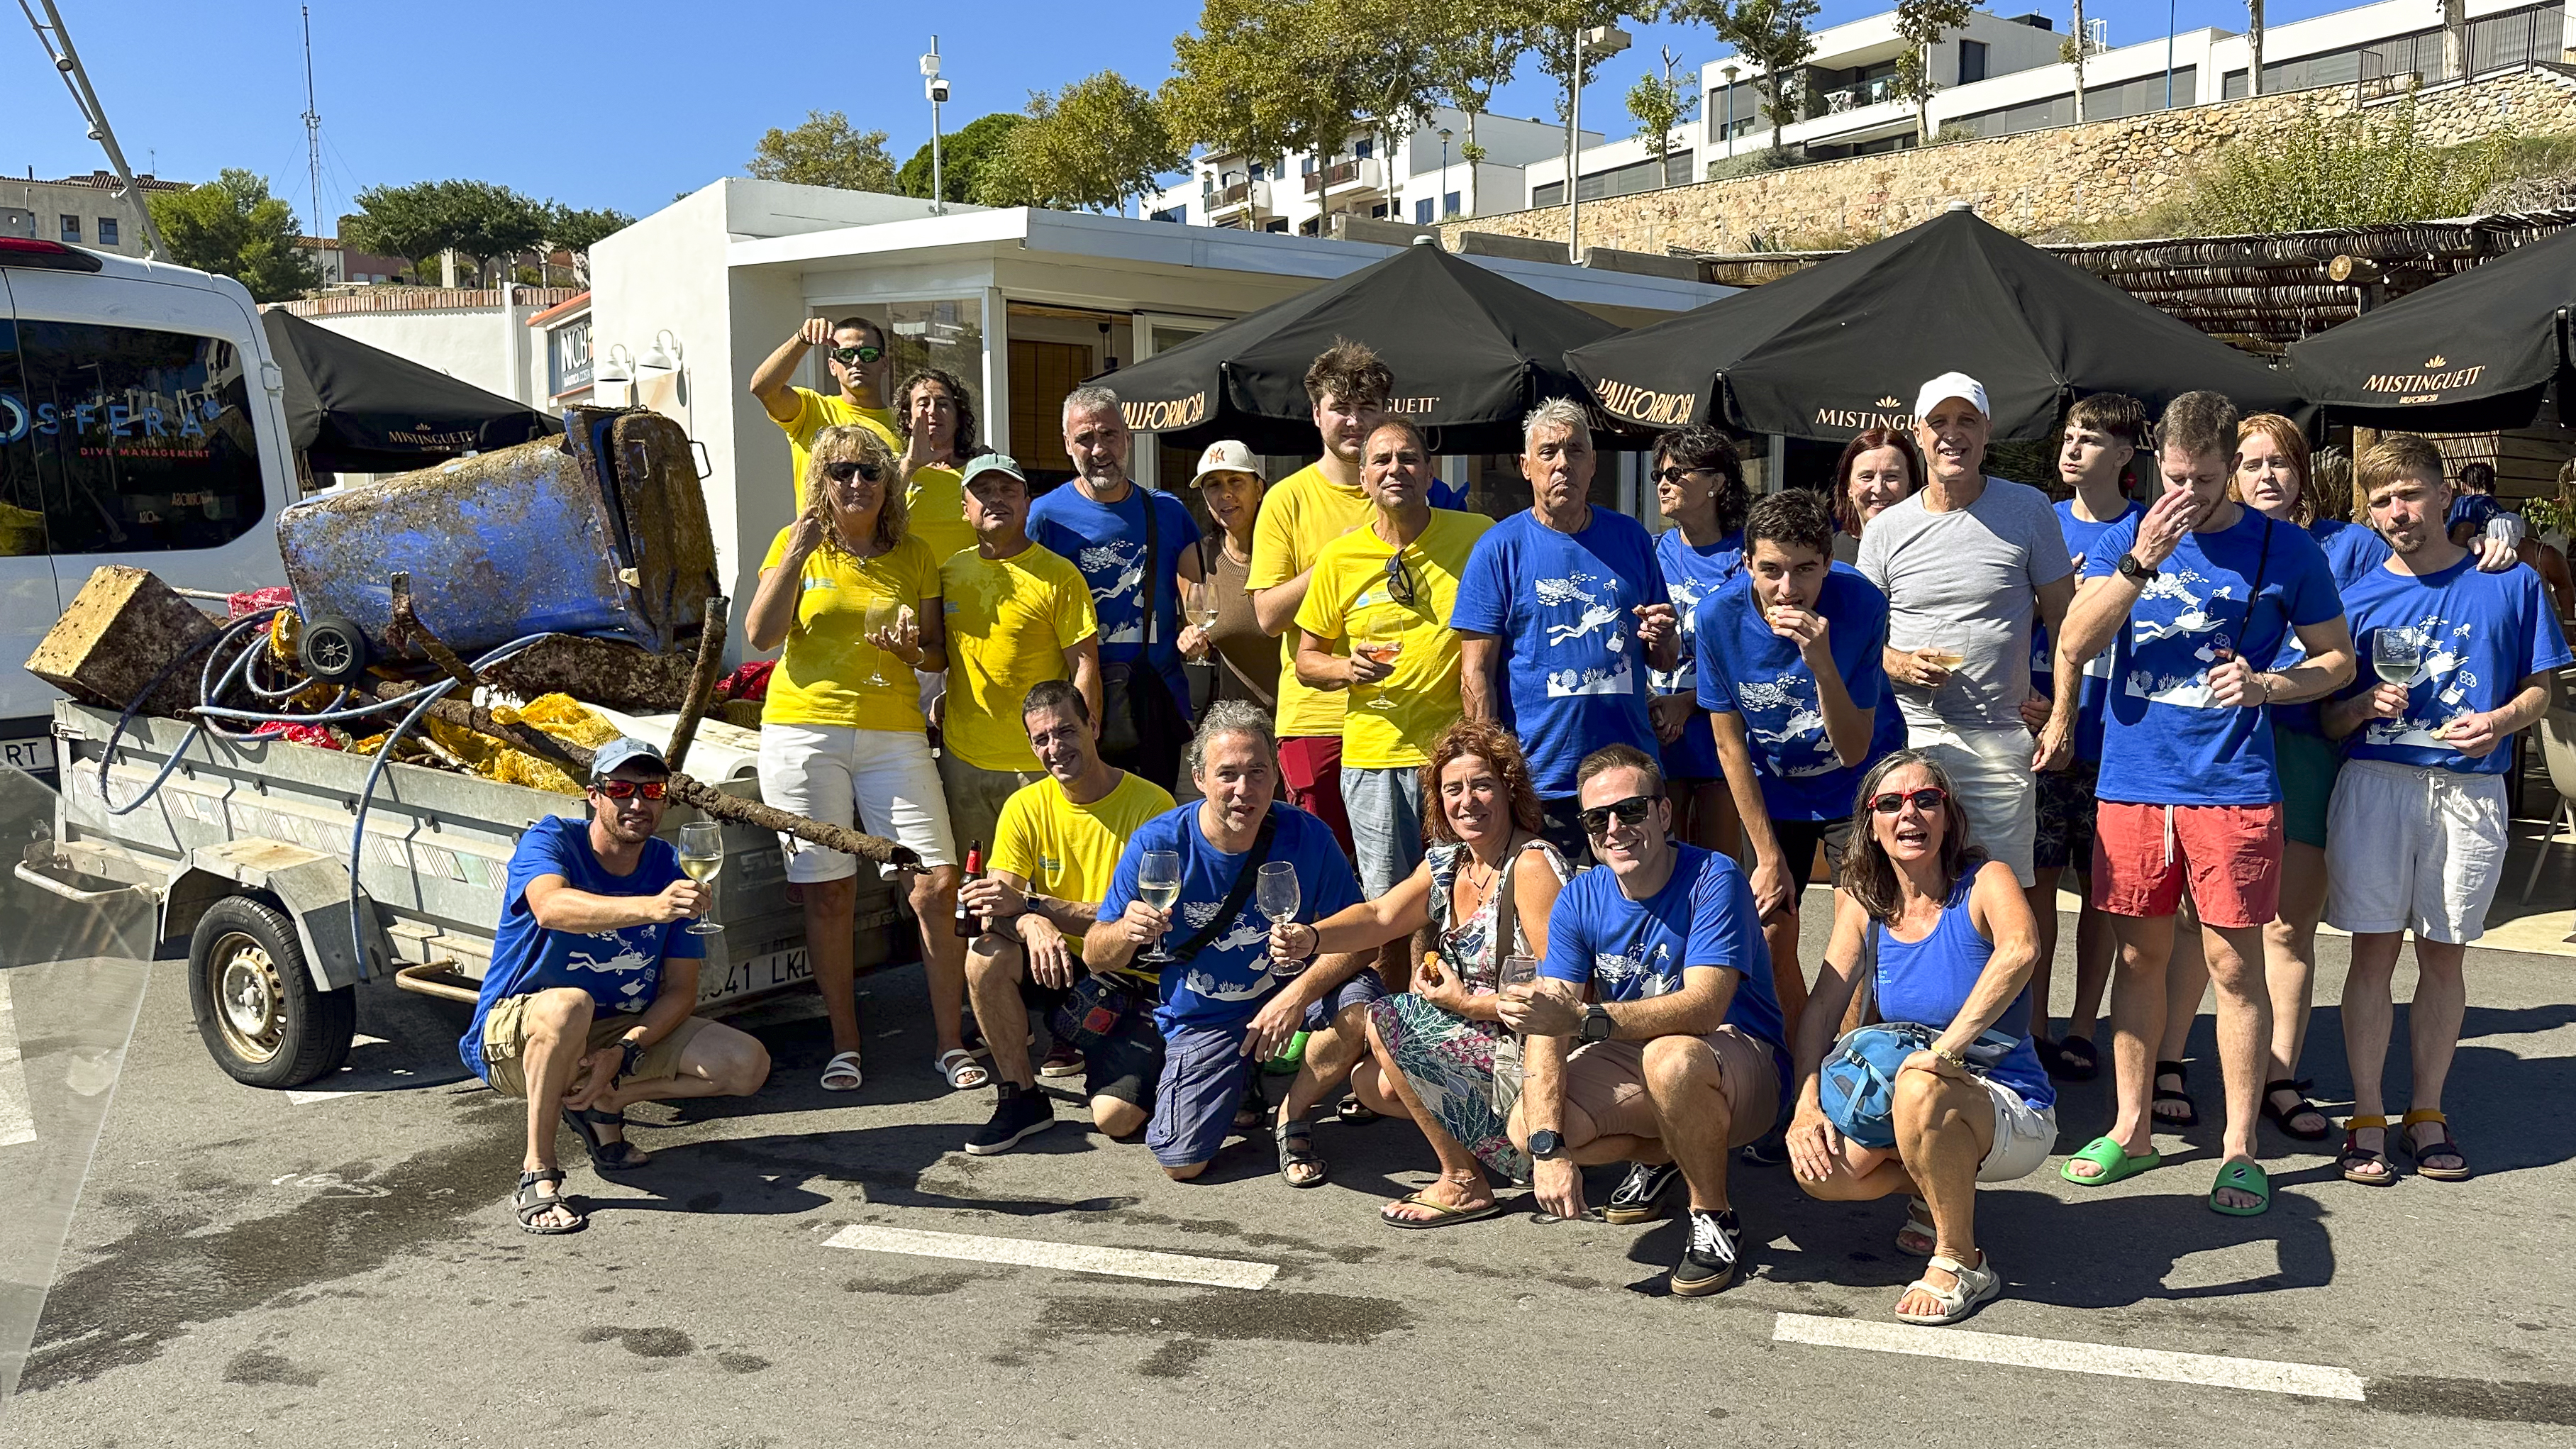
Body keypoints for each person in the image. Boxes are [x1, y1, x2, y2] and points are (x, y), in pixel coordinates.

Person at [2051, 391, 2353, 1216]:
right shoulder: (2131, 535)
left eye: (2204, 480)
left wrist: (2265, 684)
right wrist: (2139, 559)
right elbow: (2073, 642)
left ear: (2232, 465)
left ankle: (2237, 1151)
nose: (2186, 494)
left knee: (2231, 968)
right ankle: (2130, 1129)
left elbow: (2336, 663)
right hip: (2134, 784)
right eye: (2174, 476)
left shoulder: (2285, 550)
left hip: (2231, 790)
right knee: (2139, 959)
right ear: (2156, 461)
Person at [2323, 435, 2570, 1186]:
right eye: (2381, 500)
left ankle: (2424, 1111)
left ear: (2441, 495)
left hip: (2468, 789)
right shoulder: (2354, 598)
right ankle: (2365, 1113)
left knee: (2444, 953)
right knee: (2371, 953)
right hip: (2375, 782)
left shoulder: (2509, 584)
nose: (2397, 511)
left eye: (2408, 494)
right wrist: (2361, 703)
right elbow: (2330, 721)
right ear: (2367, 513)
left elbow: (2540, 692)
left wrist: (2496, 722)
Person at [1499, 745, 1788, 1296]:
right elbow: (1550, 1021)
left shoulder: (1715, 876)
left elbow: (1704, 1007)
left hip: (1738, 1055)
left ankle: (1712, 1215)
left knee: (1671, 1057)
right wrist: (1547, 1149)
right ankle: (1667, 1154)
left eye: (1630, 810)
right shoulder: (1581, 895)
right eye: (1596, 818)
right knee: (1529, 1123)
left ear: (1663, 813)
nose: (1614, 828)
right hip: (1639, 1046)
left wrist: (1585, 1017)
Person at [1784, 750, 2055, 1326]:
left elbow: (2022, 950)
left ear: (1949, 816)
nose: (1910, 813)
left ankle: (1962, 1259)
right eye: (1891, 803)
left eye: (1926, 799)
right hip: (1918, 1094)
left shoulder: (1986, 880)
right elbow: (1822, 1009)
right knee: (1821, 1170)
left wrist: (1943, 1054)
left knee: (1920, 1085)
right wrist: (1805, 1104)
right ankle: (1936, 1192)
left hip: (2010, 1104)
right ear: (1873, 825)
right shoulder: (1865, 904)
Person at [745, 424, 977, 1094]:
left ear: (888, 484)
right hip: (803, 730)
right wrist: (795, 556)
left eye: (869, 472)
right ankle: (845, 1043)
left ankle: (949, 1041)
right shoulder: (794, 545)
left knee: (934, 884)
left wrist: (911, 654)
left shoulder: (915, 554)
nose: (855, 483)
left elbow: (935, 652)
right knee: (829, 890)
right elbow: (760, 637)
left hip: (893, 729)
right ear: (822, 478)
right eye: (841, 471)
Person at [465, 740, 772, 1234]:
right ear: (594, 796)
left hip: (614, 1029)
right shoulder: (551, 839)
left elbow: (680, 992)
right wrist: (651, 907)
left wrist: (624, 1053)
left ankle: (606, 1103)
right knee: (570, 1005)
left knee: (747, 1063)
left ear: (665, 800)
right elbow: (551, 907)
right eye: (620, 789)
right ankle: (537, 1172)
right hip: (520, 1031)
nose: (636, 802)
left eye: (650, 789)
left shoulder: (672, 866)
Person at [1279, 721, 1571, 1226]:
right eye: (1453, 789)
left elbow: (1560, 995)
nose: (1468, 801)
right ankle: (1492, 1145)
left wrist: (1461, 1003)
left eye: (1482, 785)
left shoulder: (1530, 865)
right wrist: (1313, 936)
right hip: (1487, 1042)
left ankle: (1466, 1181)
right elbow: (1380, 917)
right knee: (1373, 1084)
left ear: (1509, 787)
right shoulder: (1451, 862)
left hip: (1531, 1058)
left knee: (1385, 1017)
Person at [1084, 701, 1379, 1184]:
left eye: (1257, 772)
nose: (1244, 789)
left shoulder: (1307, 835)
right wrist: (1124, 932)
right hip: (1208, 1014)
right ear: (1199, 777)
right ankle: (1236, 1075)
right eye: (1228, 774)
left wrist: (1297, 993)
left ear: (1277, 775)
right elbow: (1096, 952)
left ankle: (1293, 1112)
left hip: (1291, 997)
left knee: (1361, 1006)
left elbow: (1364, 941)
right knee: (1182, 1163)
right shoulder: (1158, 842)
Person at [1858, 372, 2075, 907]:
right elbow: (1858, 639)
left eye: (1966, 421)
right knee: (1914, 902)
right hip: (1911, 740)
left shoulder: (2028, 509)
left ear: (1987, 431)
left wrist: (2062, 712)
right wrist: (1901, 663)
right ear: (1917, 434)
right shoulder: (1887, 528)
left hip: (1999, 738)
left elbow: (2069, 625)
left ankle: (2013, 997)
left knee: (2008, 905)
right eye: (1939, 422)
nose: (1952, 434)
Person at [1698, 488, 1894, 1043]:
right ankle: (1797, 1060)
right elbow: (1729, 745)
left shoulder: (1860, 605)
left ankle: (1850, 1069)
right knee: (1769, 929)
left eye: (1806, 570)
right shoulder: (1718, 617)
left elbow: (1856, 747)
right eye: (1772, 570)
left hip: (1854, 784)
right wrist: (1766, 856)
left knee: (1858, 934)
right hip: (1773, 791)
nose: (1789, 590)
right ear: (1747, 564)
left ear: (1829, 563)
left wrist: (1823, 664)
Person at [1454, 399, 1681, 860]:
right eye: (1549, 452)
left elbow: (1664, 657)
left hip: (1628, 774)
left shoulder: (1632, 538)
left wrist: (1663, 639)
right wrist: (1495, 768)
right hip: (1542, 779)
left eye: (1575, 451)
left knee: (1634, 911)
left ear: (1593, 463)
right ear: (1525, 466)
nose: (1563, 464)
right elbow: (1475, 672)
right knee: (1547, 918)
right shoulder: (1499, 548)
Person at [959, 679, 1177, 1155]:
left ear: (1093, 726)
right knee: (984, 954)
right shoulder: (1025, 806)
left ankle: (1158, 1067)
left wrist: (1037, 907)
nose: (1055, 748)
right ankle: (1022, 1096)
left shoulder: (1152, 805)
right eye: (1041, 739)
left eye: (1065, 731)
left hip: (1134, 976)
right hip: (1063, 967)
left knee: (1115, 1120)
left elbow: (1138, 922)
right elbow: (996, 905)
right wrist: (1029, 923)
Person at [1293, 418, 1492, 904]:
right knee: (1387, 904)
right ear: (1363, 479)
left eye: (1408, 458)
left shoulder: (1477, 536)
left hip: (1450, 754)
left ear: (1429, 474)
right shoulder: (1340, 557)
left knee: (1459, 896)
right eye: (1381, 460)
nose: (1395, 469)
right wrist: (1346, 668)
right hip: (1373, 757)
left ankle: (1448, 984)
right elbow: (1306, 661)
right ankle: (1391, 986)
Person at [2029, 393, 2146, 1083]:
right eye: (2068, 437)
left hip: (2117, 736)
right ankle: (2036, 1025)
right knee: (2038, 884)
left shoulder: (2146, 531)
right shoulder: (2040, 523)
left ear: (2125, 455)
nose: (2072, 449)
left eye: (2091, 439)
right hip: (2043, 734)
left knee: (2102, 893)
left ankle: (2082, 1027)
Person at [1247, 340, 1394, 856]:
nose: (1354, 421)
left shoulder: (1410, 491)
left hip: (1401, 718)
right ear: (1316, 414)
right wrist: (1336, 559)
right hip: (1317, 718)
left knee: (1402, 882)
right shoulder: (1287, 499)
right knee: (1323, 870)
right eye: (1341, 408)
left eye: (1366, 408)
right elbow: (1266, 615)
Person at [1028, 386, 1203, 791]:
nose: (1099, 449)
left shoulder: (1168, 511)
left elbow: (1196, 599)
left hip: (1155, 701)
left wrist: (1198, 632)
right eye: (1085, 438)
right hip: (1075, 707)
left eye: (1108, 435)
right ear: (1068, 445)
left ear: (1127, 438)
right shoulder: (1044, 517)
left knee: (1155, 827)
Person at [936, 453, 1101, 856]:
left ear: (1028, 503)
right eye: (983, 491)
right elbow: (941, 653)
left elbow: (1085, 664)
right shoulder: (949, 574)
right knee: (972, 891)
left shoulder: (1058, 575)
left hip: (1039, 763)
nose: (997, 499)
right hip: (964, 761)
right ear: (965, 508)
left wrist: (1080, 745)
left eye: (1009, 489)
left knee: (1042, 891)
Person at [1648, 425, 1752, 853]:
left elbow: (1749, 656)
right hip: (1658, 734)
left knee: (1719, 869)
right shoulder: (1652, 552)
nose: (1664, 483)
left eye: (1676, 473)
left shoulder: (1744, 557)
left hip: (1719, 737)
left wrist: (1686, 704)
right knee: (1663, 866)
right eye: (1659, 475)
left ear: (1715, 482)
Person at [748, 316, 901, 494]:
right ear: (832, 366)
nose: (857, 362)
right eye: (846, 355)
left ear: (884, 363)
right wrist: (802, 339)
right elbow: (763, 389)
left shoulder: (905, 424)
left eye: (868, 354)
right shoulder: (812, 410)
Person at [1178, 440, 1277, 714]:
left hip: (1300, 721)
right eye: (1214, 485)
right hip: (1236, 725)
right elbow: (1202, 641)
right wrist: (1192, 643)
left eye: (1236, 482)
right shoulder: (1196, 560)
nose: (1226, 494)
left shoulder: (1291, 552)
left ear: (1259, 490)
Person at [888, 367, 985, 590]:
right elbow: (876, 517)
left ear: (959, 418)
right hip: (910, 590)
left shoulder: (979, 469)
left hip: (969, 591)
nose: (933, 411)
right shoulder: (892, 468)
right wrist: (911, 466)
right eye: (923, 403)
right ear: (908, 418)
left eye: (943, 404)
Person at [1833, 428, 1924, 564]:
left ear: (1910, 484)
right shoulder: (1826, 554)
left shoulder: (1927, 550)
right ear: (1848, 488)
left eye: (1892, 476)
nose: (1879, 489)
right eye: (1866, 477)